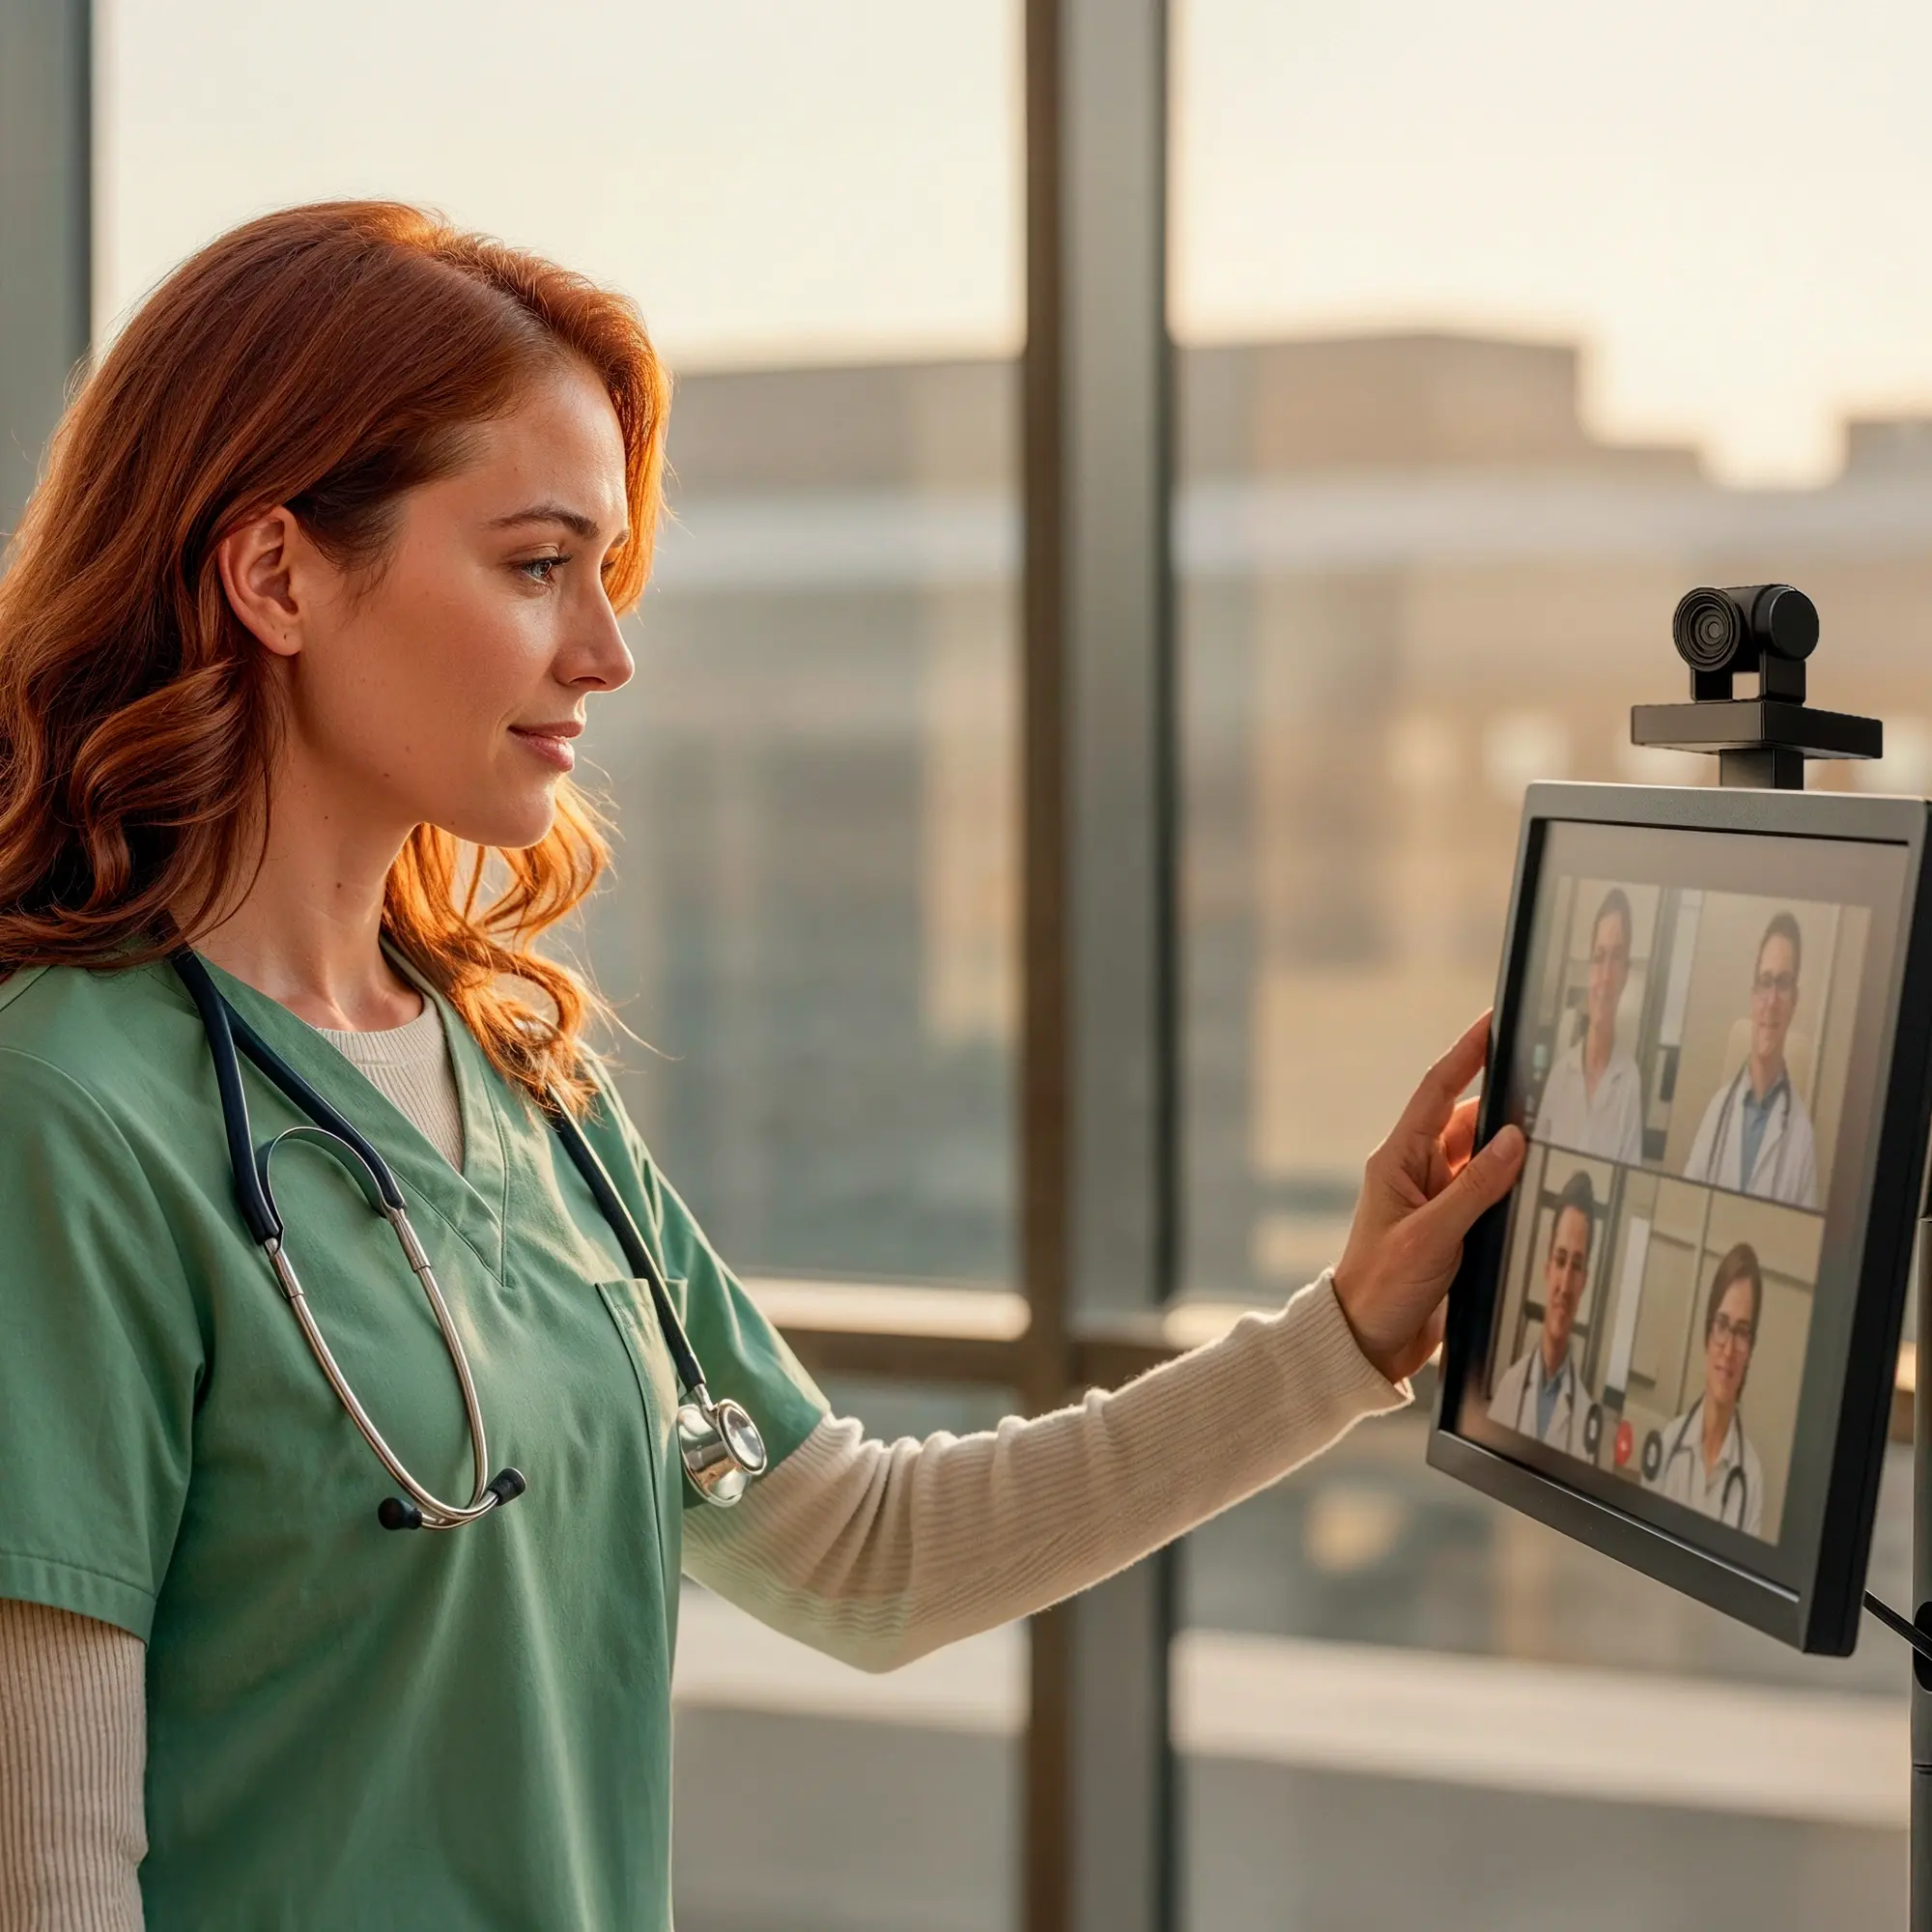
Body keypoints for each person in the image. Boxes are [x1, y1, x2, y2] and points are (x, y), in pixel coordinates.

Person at [0, 203, 1526, 1930]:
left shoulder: (521, 1092)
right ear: (276, 573)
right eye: (532, 564)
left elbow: (859, 1555)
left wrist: (1342, 1339)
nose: (606, 650)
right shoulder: (64, 1112)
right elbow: (45, 1873)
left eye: (607, 572)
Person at [1682, 911, 1820, 1208]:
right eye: (1765, 982)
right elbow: (1687, 1200)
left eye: (1783, 984)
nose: (1771, 1001)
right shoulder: (1718, 1109)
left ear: (1795, 1000)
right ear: (1753, 995)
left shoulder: (1801, 1135)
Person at [1647, 1243, 1767, 1536]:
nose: (1728, 1350)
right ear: (1707, 1335)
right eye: (1722, 1326)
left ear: (1750, 1349)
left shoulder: (1750, 1478)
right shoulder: (1667, 1445)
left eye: (1741, 1332)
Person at [1488, 1169, 1595, 1454]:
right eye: (1561, 1261)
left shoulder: (1586, 1416)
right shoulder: (1509, 1387)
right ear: (1547, 1269)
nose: (1566, 1284)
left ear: (1585, 1280)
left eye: (1577, 1265)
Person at [1534, 888, 1644, 1164]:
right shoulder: (1561, 1074)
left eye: (1616, 958)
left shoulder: (1629, 1081)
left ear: (1626, 973)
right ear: (1589, 969)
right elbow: (1535, 1164)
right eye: (1599, 957)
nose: (1606, 976)